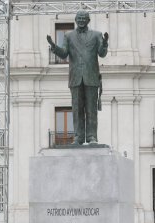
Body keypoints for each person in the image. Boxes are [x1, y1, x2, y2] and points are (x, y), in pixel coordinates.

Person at [47, 10, 109, 144]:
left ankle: (92, 137)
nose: (81, 20)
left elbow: (102, 54)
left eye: (84, 18)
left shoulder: (97, 35)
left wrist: (104, 44)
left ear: (88, 20)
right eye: (79, 18)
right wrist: (53, 46)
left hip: (91, 76)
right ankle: (78, 137)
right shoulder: (68, 36)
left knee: (91, 109)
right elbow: (64, 53)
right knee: (76, 109)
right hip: (75, 77)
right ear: (75, 20)